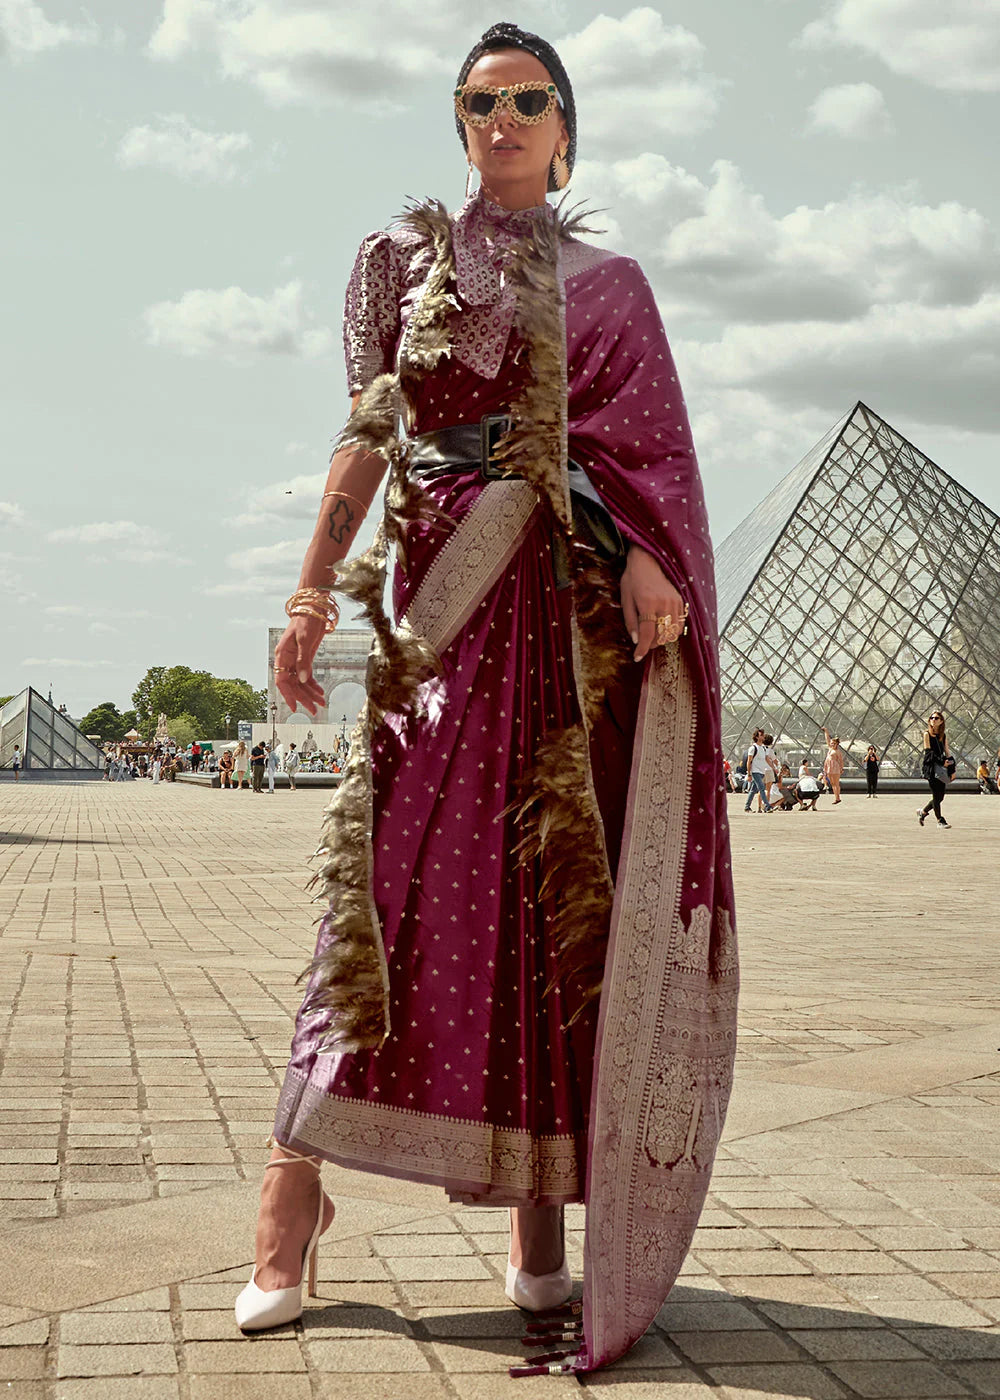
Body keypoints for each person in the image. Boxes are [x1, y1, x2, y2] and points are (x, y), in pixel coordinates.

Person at [236, 22, 737, 1379]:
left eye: (527, 101)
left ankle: (538, 1233)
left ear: (568, 129)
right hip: (441, 615)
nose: (502, 120)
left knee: (550, 911)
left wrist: (646, 555)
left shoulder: (613, 283)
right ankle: (291, 1198)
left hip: (568, 641)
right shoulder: (403, 261)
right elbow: (368, 431)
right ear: (458, 127)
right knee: (379, 894)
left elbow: (652, 459)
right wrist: (307, 593)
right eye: (479, 104)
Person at [919, 710, 953, 828]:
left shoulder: (943, 736)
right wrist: (942, 761)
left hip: (942, 767)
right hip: (931, 767)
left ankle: (923, 812)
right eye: (931, 718)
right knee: (935, 795)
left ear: (941, 721)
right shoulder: (927, 734)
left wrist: (952, 767)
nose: (933, 720)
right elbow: (929, 753)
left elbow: (947, 752)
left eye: (936, 718)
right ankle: (940, 821)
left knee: (940, 796)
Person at [744, 729, 773, 813]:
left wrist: (774, 768)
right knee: (762, 788)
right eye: (761, 735)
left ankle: (747, 807)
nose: (763, 736)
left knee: (753, 790)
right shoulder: (753, 748)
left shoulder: (763, 748)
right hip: (755, 771)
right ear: (756, 737)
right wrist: (749, 774)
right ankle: (767, 806)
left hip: (762, 772)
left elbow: (767, 759)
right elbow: (749, 762)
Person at [822, 726, 845, 804]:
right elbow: (827, 739)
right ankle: (837, 797)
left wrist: (842, 768)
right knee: (832, 783)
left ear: (837, 744)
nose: (832, 744)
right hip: (829, 767)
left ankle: (837, 798)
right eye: (831, 743)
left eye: (833, 743)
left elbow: (841, 760)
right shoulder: (830, 748)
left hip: (834, 767)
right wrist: (826, 731)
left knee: (836, 783)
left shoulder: (837, 751)